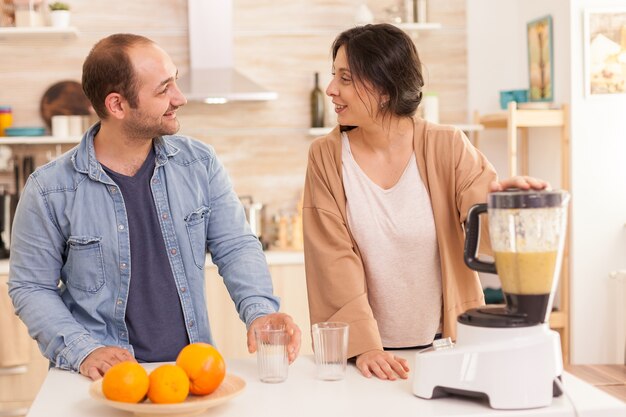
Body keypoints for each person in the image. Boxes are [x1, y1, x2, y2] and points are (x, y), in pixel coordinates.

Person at [8, 33, 301, 380]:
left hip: (190, 374)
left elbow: (235, 246)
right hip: (98, 379)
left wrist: (260, 311)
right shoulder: (50, 188)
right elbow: (31, 286)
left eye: (175, 81)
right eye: (163, 90)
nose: (180, 98)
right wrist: (82, 349)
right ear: (117, 105)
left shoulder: (199, 164)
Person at [302, 24, 547, 381]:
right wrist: (365, 347)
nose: (331, 89)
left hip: (448, 345)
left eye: (346, 78)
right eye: (333, 76)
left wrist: (507, 207)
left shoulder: (447, 145)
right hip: (366, 357)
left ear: (384, 88)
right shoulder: (325, 157)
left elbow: (483, 223)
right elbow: (332, 259)